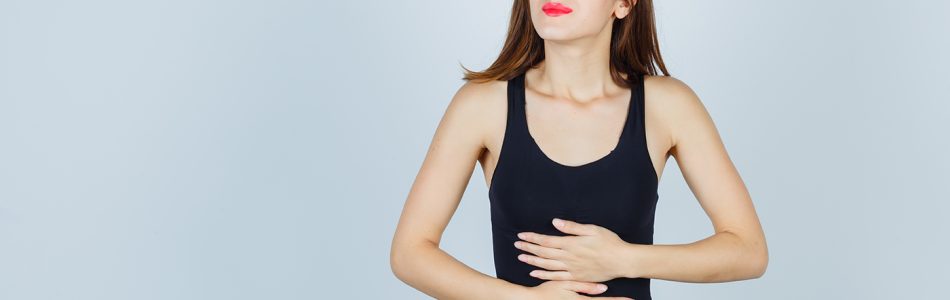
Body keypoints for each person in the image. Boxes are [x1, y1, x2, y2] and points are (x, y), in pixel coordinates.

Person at [390, 1, 768, 299]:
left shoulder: (668, 105)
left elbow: (748, 250)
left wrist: (624, 259)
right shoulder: (481, 105)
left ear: (623, 4)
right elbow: (410, 254)